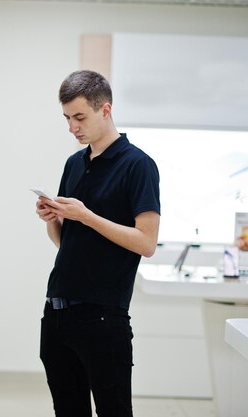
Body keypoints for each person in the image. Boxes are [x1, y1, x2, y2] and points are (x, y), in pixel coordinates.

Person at [36, 70, 160, 417]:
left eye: (79, 117)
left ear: (105, 110)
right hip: (57, 313)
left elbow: (146, 243)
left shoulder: (139, 166)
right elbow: (67, 243)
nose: (73, 127)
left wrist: (86, 215)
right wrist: (55, 219)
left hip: (103, 318)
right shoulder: (74, 164)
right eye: (67, 118)